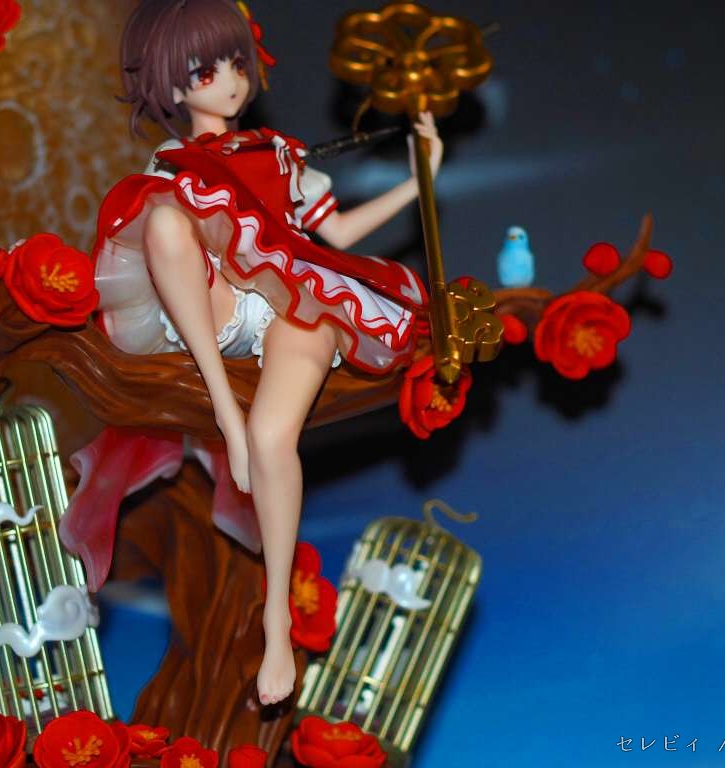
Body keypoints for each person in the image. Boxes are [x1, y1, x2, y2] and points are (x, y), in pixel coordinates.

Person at [92, 0, 442, 706]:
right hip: (220, 309)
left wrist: (421, 175)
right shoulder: (173, 164)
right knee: (162, 224)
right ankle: (225, 409)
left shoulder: (280, 154)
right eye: (206, 71)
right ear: (173, 84)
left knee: (273, 437)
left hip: (299, 303)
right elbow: (173, 242)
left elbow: (339, 235)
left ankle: (277, 620)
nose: (229, 81)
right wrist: (225, 411)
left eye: (236, 63)